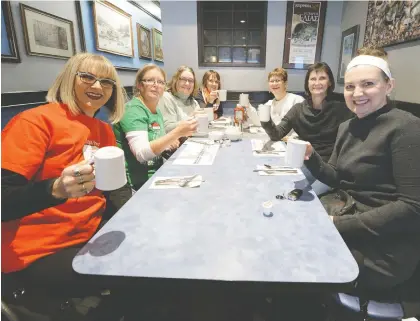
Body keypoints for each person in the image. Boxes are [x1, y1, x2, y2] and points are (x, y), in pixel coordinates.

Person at [1, 53, 130, 320]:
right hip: (40, 249)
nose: (97, 87)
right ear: (69, 79)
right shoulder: (35, 121)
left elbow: (115, 191)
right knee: (140, 276)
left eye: (106, 82)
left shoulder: (104, 131)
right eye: (87, 77)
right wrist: (55, 189)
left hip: (89, 235)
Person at [303, 50, 420, 298]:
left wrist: (337, 225)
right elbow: (336, 176)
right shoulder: (347, 126)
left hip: (383, 246)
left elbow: (413, 207)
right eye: (351, 86)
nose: (357, 93)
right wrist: (311, 157)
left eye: (368, 84)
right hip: (346, 216)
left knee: (298, 264)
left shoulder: (406, 127)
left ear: (389, 86)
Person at [113, 64, 198, 191]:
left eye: (160, 82)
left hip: (158, 174)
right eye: (150, 80)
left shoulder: (156, 110)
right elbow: (142, 154)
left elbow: (155, 141)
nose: (156, 85)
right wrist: (176, 133)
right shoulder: (133, 110)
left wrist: (168, 142)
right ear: (140, 85)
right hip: (137, 184)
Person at [260, 62, 353, 161]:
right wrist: (265, 120)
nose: (317, 83)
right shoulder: (298, 109)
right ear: (307, 83)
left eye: (322, 78)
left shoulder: (342, 107)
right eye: (313, 79)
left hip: (332, 164)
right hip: (306, 161)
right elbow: (276, 134)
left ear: (329, 82)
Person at [247, 68, 305, 132]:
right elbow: (259, 121)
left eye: (277, 80)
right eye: (271, 81)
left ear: (285, 83)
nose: (274, 84)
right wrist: (247, 106)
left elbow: (304, 126)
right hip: (276, 139)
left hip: (293, 141)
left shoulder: (297, 100)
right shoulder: (269, 104)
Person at [158, 65, 201, 133]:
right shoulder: (166, 98)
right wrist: (191, 117)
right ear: (176, 80)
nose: (187, 83)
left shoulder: (194, 102)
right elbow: (167, 128)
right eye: (183, 79)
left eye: (191, 80)